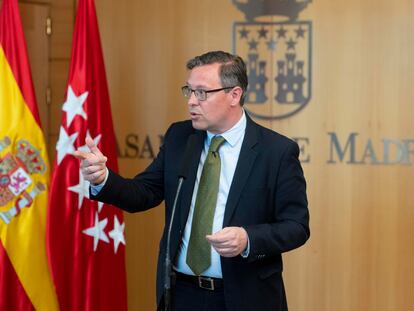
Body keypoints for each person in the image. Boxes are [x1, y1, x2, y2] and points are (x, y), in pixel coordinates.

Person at [74, 50, 310, 311]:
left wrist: (248, 238)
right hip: (182, 294)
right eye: (189, 91)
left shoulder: (276, 151)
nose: (191, 102)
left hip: (245, 296)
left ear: (234, 94)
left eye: (202, 93)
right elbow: (144, 192)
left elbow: (296, 226)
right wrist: (103, 178)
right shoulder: (180, 136)